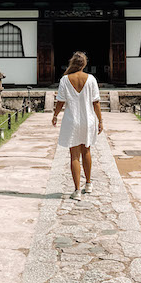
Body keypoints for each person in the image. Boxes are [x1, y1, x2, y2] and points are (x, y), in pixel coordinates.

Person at [51, 51, 103, 201]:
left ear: (72, 63)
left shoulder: (65, 80)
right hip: (88, 120)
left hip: (71, 120)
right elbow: (96, 102)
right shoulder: (91, 79)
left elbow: (60, 101)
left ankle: (77, 190)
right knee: (86, 151)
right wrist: (100, 121)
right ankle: (88, 183)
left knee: (74, 155)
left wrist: (55, 115)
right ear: (84, 64)